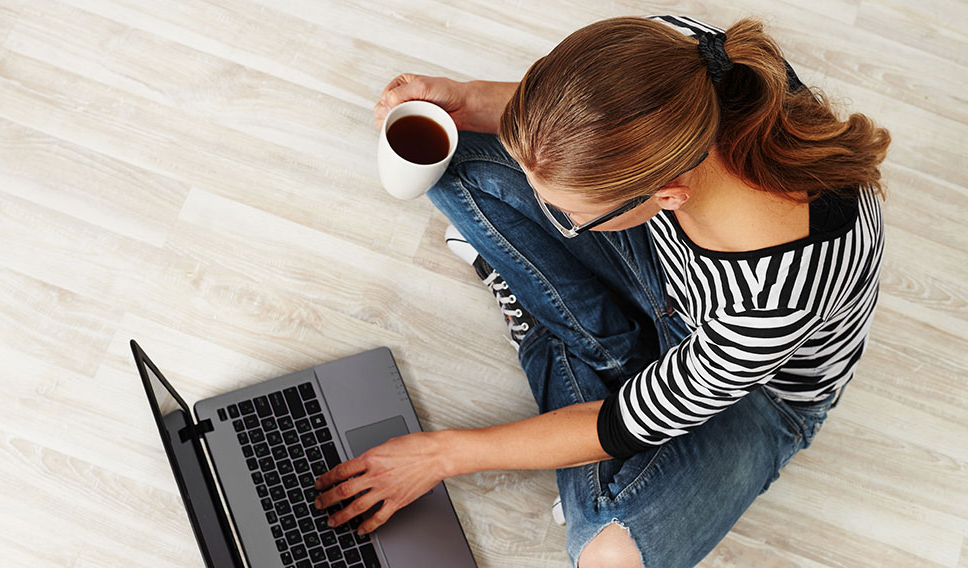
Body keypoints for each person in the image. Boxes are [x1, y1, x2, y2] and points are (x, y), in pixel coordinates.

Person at [313, 14, 890, 568]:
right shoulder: (687, 59)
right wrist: (463, 99)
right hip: (677, 278)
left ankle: (553, 331)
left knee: (608, 554)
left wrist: (440, 455)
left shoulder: (774, 301)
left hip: (758, 391)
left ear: (667, 194)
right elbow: (592, 118)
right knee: (448, 144)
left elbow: (622, 425)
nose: (553, 213)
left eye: (567, 215)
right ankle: (579, 336)